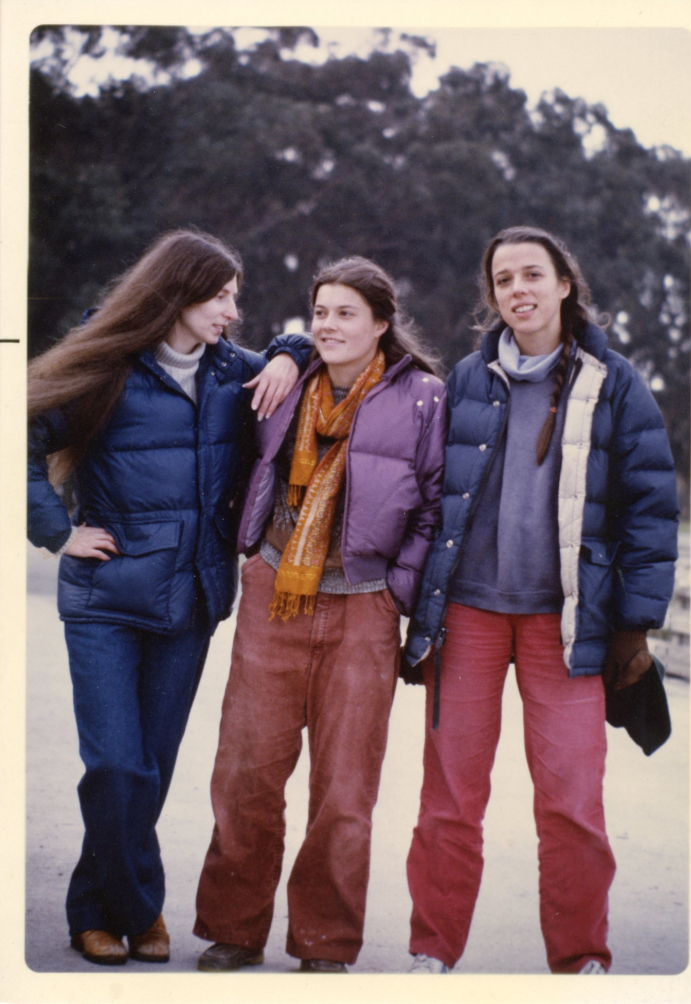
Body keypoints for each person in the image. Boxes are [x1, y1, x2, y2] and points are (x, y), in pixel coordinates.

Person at [27, 230, 311, 966]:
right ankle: (135, 907)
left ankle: (106, 911)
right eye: (220, 295)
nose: (231, 310)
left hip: (191, 601)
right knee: (117, 765)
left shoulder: (234, 373)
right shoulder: (107, 366)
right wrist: (58, 532)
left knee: (150, 766)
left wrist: (287, 349)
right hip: (106, 600)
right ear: (176, 293)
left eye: (236, 296)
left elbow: (304, 355)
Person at [401, 226, 679, 975]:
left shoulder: (615, 382)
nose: (517, 289)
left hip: (569, 624)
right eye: (503, 279)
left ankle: (582, 958)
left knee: (571, 802)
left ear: (564, 284)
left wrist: (634, 625)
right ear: (492, 296)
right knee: (451, 798)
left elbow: (649, 512)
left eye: (533, 274)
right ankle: (432, 949)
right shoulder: (466, 377)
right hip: (468, 615)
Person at [193, 256, 447, 973]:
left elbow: (432, 504)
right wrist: (284, 349)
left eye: (346, 313)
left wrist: (395, 588)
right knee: (245, 771)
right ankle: (235, 928)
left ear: (382, 324)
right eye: (321, 312)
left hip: (364, 609)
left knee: (344, 789)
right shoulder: (288, 382)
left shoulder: (424, 397)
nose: (330, 325)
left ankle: (326, 942)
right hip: (274, 594)